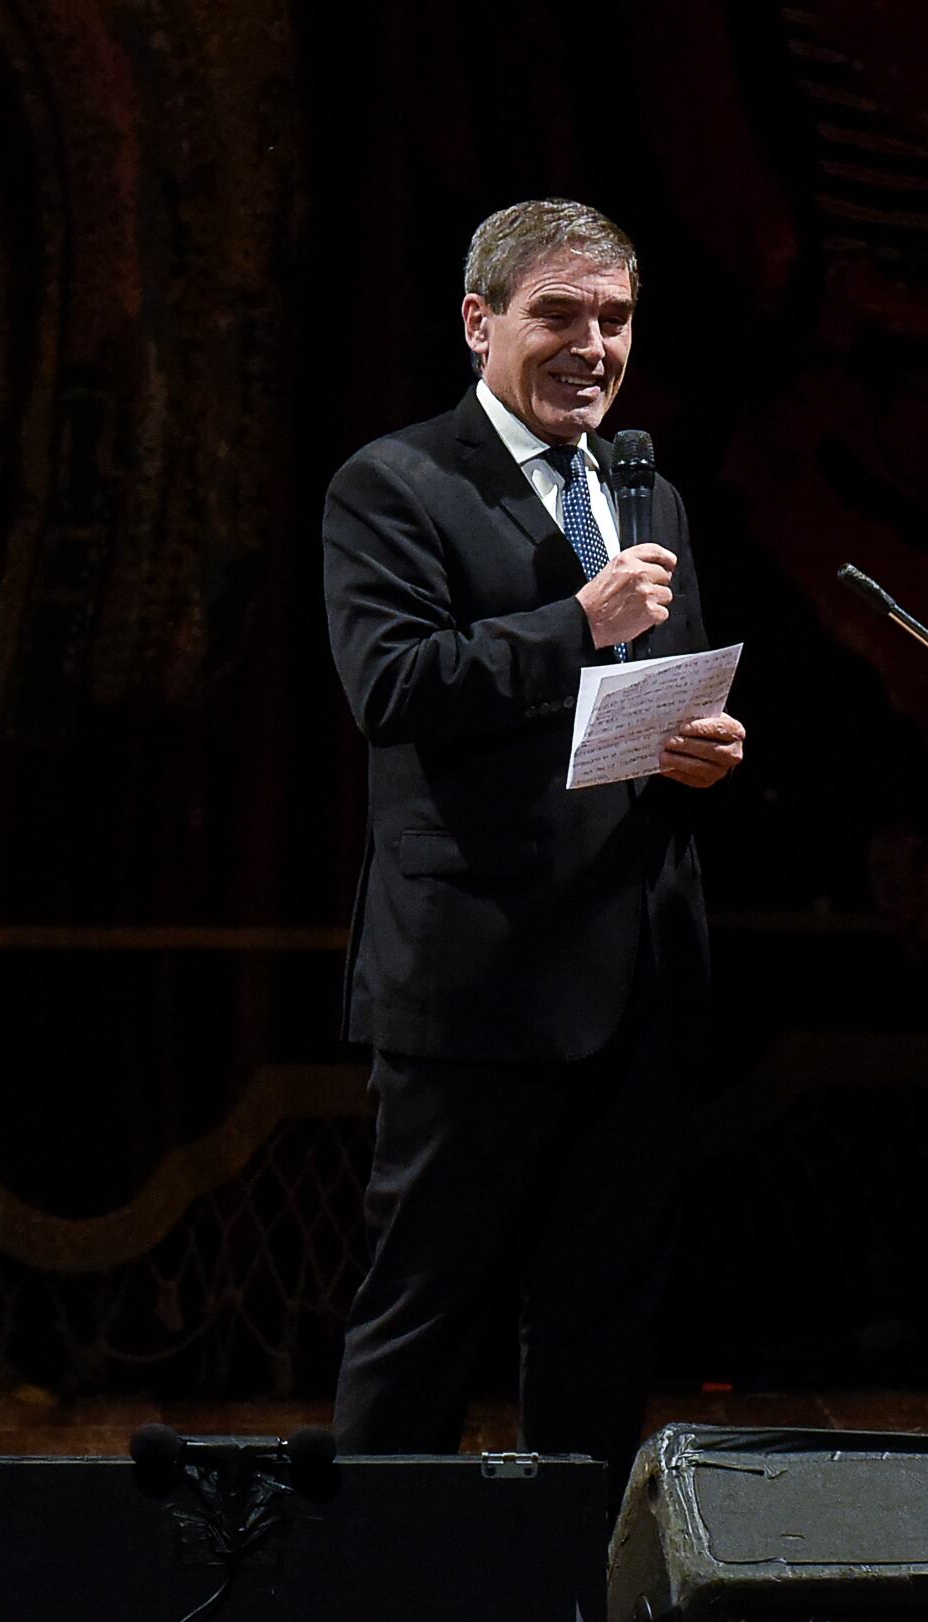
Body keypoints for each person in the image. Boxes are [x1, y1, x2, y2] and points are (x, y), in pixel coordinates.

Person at [321, 199, 744, 1478]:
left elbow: (650, 690)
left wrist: (696, 746)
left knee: (600, 1337)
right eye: (559, 313)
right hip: (477, 983)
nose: (594, 345)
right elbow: (390, 685)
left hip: (632, 981)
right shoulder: (395, 482)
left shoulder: (644, 482)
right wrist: (578, 621)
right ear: (479, 321)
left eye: (615, 318)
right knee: (424, 1331)